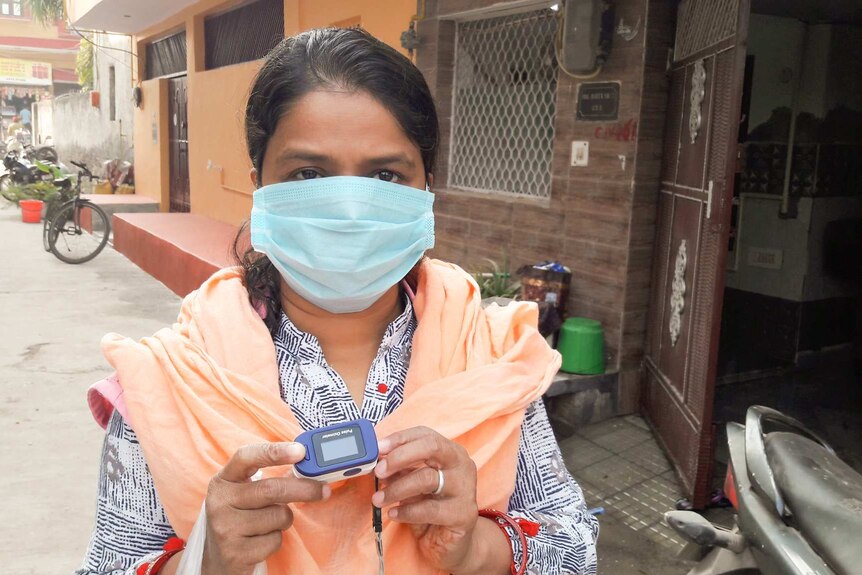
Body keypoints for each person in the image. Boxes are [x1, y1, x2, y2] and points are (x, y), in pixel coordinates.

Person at [77, 27, 598, 575]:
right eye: (309, 173)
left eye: (385, 175)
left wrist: (478, 549)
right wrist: (205, 563)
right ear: (261, 187)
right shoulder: (170, 380)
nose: (349, 209)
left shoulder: (493, 357)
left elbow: (575, 552)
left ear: (426, 189)